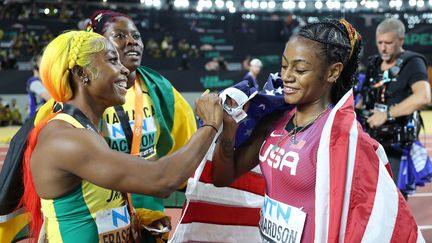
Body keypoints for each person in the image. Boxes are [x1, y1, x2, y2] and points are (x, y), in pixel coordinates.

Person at [212, 19, 424, 242]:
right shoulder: (274, 120)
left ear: (333, 72)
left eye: (300, 69)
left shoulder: (344, 141)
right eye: (284, 66)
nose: (286, 76)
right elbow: (222, 176)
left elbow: (374, 222)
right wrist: (228, 128)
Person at [20, 31, 222, 242]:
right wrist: (209, 125)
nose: (125, 69)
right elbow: (163, 180)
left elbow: (92, 208)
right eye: (113, 60)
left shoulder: (86, 131)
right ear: (81, 74)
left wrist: (132, 219)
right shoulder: (67, 139)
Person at [86, 10, 198, 242]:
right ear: (97, 44)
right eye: (119, 36)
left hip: (151, 215)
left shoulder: (161, 90)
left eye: (136, 36)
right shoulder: (80, 97)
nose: (131, 41)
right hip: (97, 218)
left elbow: (185, 146)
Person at [359, 18, 431, 198]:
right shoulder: (374, 64)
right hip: (370, 142)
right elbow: (365, 98)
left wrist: (387, 114)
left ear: (401, 41)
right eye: (380, 42)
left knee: (393, 201)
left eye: (388, 43)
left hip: (395, 146)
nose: (383, 48)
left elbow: (423, 96)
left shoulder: (412, 62)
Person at [26, 53, 51, 119]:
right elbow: (49, 97)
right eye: (42, 62)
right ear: (35, 66)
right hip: (36, 119)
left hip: (42, 118)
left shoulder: (43, 81)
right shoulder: (34, 82)